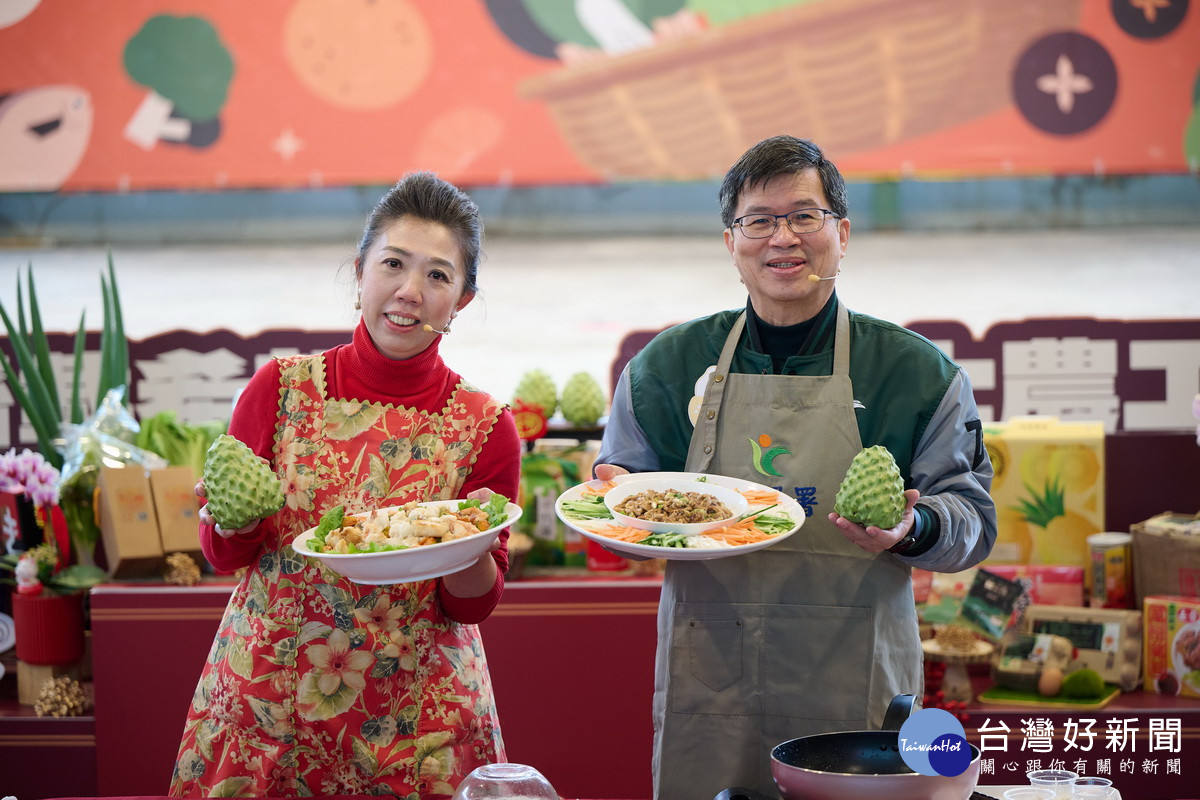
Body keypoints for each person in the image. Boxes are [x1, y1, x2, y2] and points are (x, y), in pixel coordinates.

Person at [594, 135, 997, 799]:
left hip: (856, 690)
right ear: (732, 244)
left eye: (804, 216)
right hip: (710, 683)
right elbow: (622, 497)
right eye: (759, 221)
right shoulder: (664, 370)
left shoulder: (914, 374)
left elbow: (973, 520)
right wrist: (619, 507)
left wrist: (916, 526)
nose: (783, 238)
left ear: (842, 233)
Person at [169, 172, 523, 798]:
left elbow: (472, 606)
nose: (410, 292)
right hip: (269, 702)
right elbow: (224, 555)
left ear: (462, 300)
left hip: (418, 721)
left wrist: (469, 542)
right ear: (360, 272)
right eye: (393, 263)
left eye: (438, 275)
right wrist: (230, 517)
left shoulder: (487, 427)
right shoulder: (278, 390)